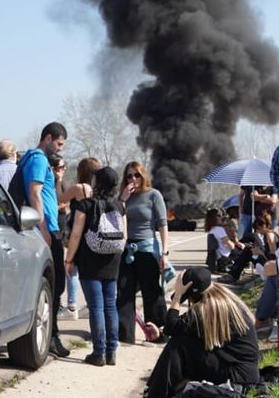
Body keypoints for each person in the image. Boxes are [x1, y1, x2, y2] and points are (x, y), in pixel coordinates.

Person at [143, 268, 259, 398]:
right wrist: (160, 336)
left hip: (235, 375)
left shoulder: (205, 310)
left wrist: (177, 296)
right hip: (244, 372)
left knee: (177, 345)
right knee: (182, 343)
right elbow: (186, 331)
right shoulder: (224, 300)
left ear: (193, 295)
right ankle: (156, 392)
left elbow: (172, 326)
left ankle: (155, 394)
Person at [64, 165, 124, 367]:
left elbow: (76, 234)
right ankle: (112, 351)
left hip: (90, 261)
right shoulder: (120, 206)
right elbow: (126, 235)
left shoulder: (85, 205)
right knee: (110, 305)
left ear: (97, 183)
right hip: (112, 260)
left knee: (96, 307)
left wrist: (69, 259)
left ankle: (98, 353)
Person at [22, 122, 71, 357]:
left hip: (51, 228)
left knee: (56, 285)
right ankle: (50, 335)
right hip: (46, 230)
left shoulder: (41, 160)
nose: (59, 149)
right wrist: (42, 227)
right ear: (49, 137)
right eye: (59, 144)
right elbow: (34, 192)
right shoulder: (38, 159)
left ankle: (51, 333)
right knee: (53, 286)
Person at [116, 162, 170, 345]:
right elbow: (117, 220)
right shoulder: (125, 197)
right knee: (124, 290)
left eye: (137, 175)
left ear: (143, 176)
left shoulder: (153, 195)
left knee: (152, 292)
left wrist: (165, 252)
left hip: (147, 249)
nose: (133, 179)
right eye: (129, 176)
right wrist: (122, 200)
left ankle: (158, 333)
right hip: (127, 249)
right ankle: (124, 335)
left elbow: (163, 225)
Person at [59, 157, 101, 320]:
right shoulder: (97, 189)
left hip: (79, 233)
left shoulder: (80, 188)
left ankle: (71, 307)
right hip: (93, 234)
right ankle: (91, 306)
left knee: (71, 270)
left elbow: (60, 198)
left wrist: (59, 179)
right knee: (91, 272)